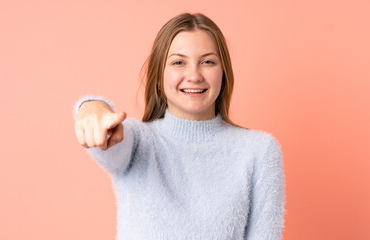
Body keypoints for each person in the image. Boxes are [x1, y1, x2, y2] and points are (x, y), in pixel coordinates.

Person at [73, 13, 284, 239]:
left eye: (208, 62)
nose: (194, 75)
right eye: (178, 62)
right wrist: (91, 107)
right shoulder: (137, 140)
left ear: (223, 73)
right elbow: (106, 138)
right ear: (158, 75)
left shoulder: (259, 151)